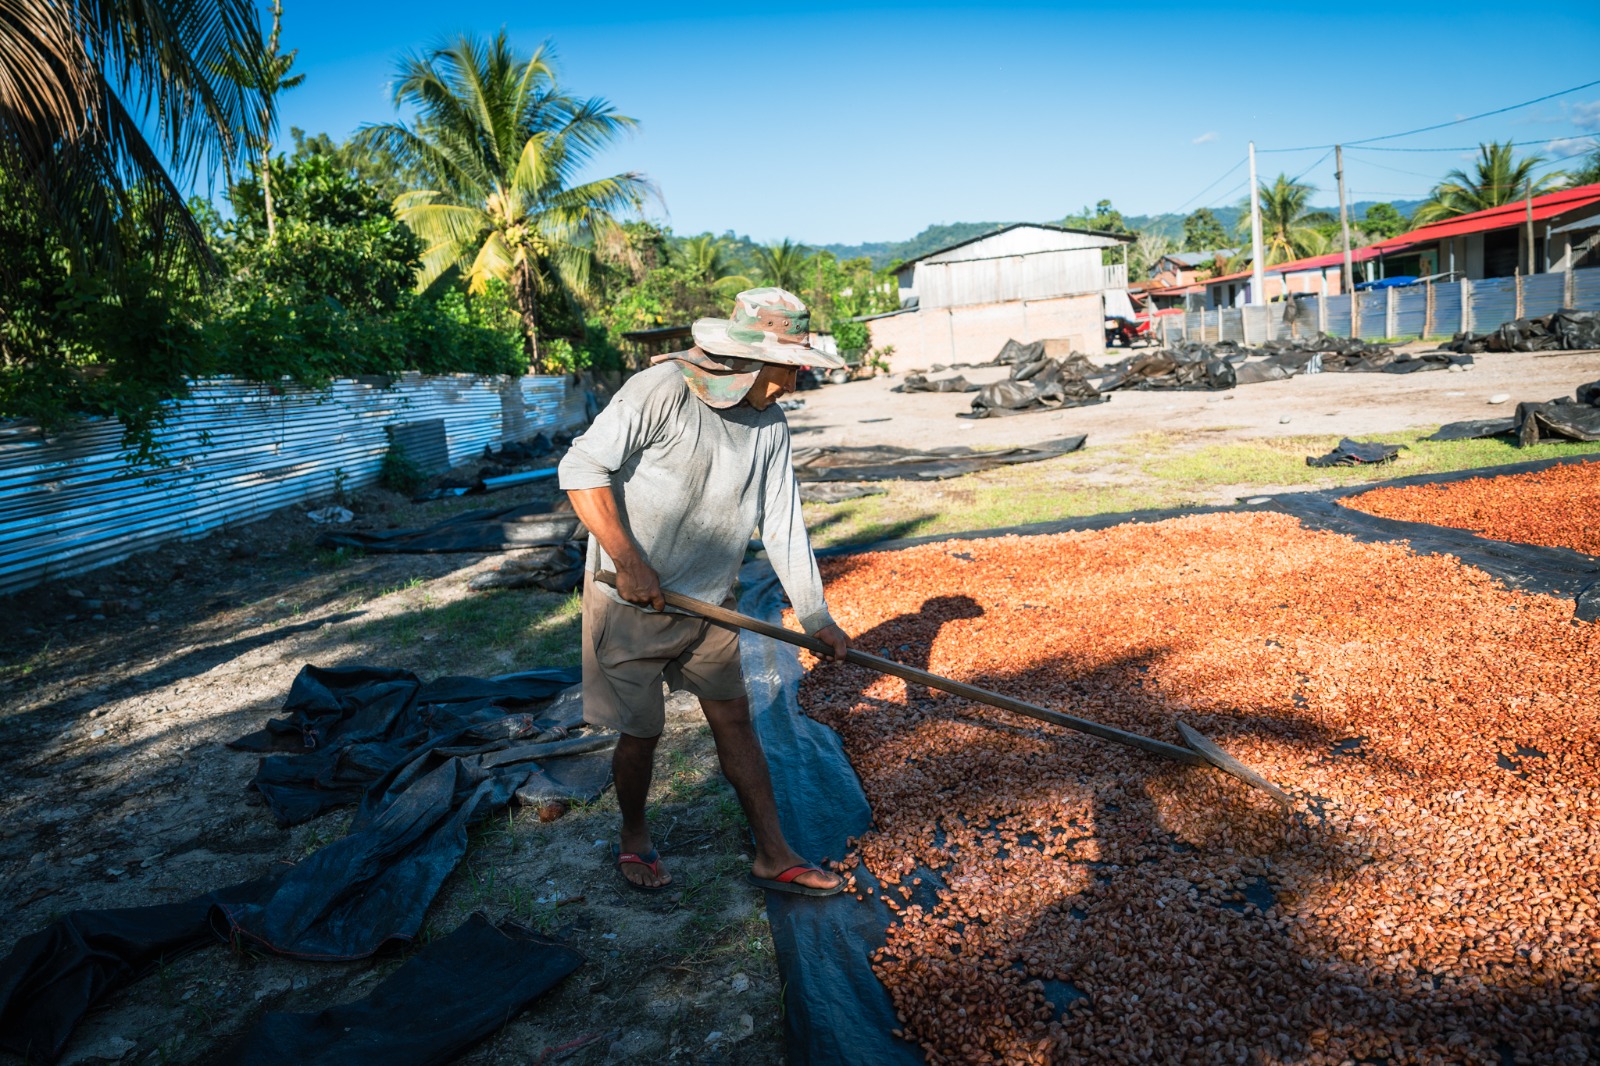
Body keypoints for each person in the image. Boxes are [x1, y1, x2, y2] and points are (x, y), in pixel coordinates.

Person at [557, 287, 851, 897]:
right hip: (633, 599)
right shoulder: (659, 391)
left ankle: (774, 854)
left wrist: (817, 614)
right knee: (642, 732)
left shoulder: (768, 423)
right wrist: (629, 561)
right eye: (790, 367)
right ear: (749, 359)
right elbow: (580, 470)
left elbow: (781, 520)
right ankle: (634, 835)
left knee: (735, 720)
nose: (796, 382)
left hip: (711, 601)